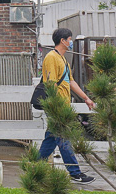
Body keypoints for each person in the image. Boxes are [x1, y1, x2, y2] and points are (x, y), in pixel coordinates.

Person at [38, 28, 95, 183]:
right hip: (57, 107)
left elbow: (70, 82)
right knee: (64, 138)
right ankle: (75, 173)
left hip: (62, 106)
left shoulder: (62, 59)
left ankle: (36, 168)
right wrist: (57, 108)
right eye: (69, 39)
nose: (71, 42)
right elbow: (50, 84)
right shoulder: (51, 58)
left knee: (51, 139)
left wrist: (86, 98)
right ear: (62, 40)